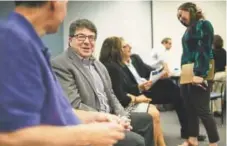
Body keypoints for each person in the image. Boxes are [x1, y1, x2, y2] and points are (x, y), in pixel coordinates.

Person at [0, 1, 136, 146]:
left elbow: (56, 111)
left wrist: (97, 117)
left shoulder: (31, 44)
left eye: (91, 38)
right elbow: (10, 135)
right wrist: (87, 135)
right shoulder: (13, 41)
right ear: (55, 2)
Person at [52, 19, 154, 146]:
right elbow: (74, 105)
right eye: (81, 37)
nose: (87, 42)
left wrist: (122, 117)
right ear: (70, 40)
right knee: (136, 142)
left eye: (91, 38)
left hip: (111, 116)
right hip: (91, 123)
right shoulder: (60, 64)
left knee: (146, 119)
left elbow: (111, 95)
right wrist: (108, 120)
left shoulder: (98, 65)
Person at [99, 36, 166, 146]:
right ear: (115, 50)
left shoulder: (113, 66)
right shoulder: (113, 68)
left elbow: (122, 90)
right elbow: (121, 98)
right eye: (123, 47)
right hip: (120, 108)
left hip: (121, 103)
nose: (127, 48)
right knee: (153, 114)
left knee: (154, 112)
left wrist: (139, 91)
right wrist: (137, 99)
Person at [177, 2, 219, 146]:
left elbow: (204, 48)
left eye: (182, 14)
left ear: (191, 11)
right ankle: (192, 139)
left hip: (199, 70)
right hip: (187, 70)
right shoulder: (189, 28)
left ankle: (214, 142)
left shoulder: (204, 24)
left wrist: (199, 73)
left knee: (202, 108)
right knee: (189, 107)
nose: (180, 18)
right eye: (179, 17)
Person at [212, 34, 226, 116]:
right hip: (224, 74)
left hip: (216, 74)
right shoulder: (224, 51)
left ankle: (214, 110)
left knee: (211, 92)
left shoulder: (212, 52)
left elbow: (212, 67)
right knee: (219, 93)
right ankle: (219, 110)